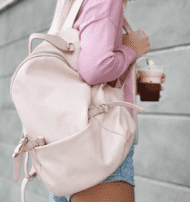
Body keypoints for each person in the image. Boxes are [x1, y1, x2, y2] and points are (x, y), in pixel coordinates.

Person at [49, 0, 166, 201]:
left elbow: (79, 71)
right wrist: (132, 50)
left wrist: (131, 81)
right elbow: (95, 69)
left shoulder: (72, 4)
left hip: (67, 153)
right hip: (102, 153)